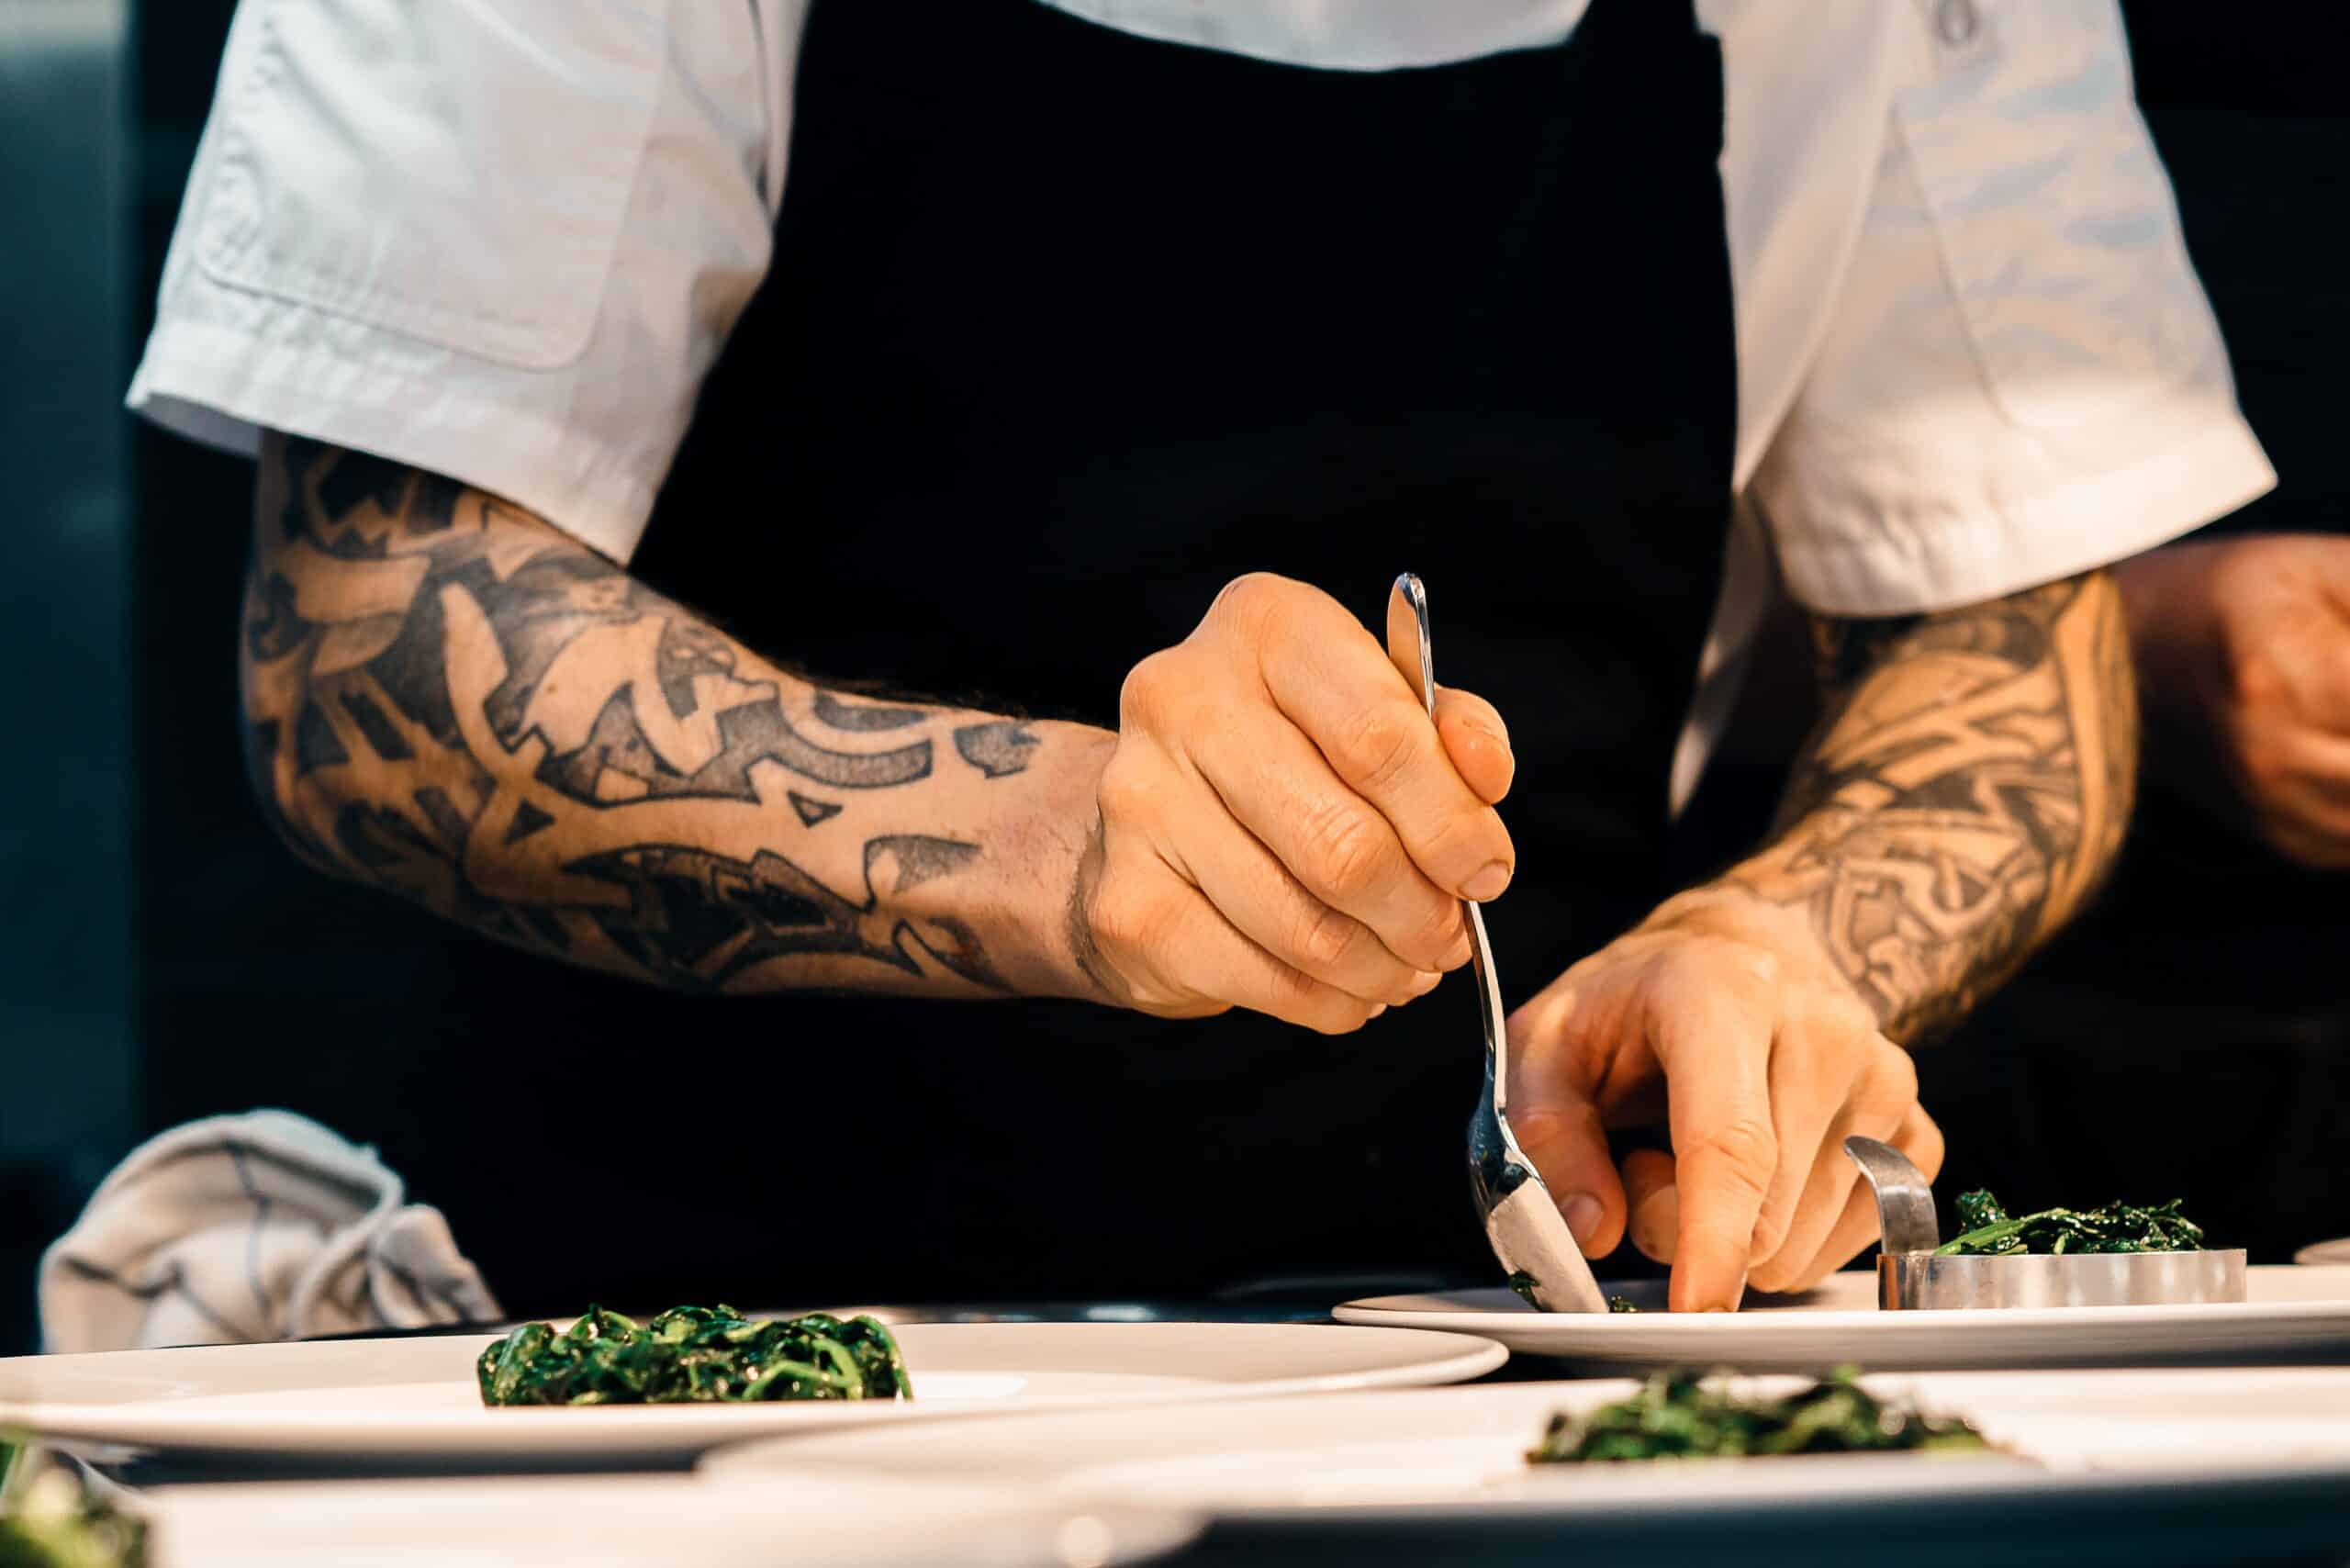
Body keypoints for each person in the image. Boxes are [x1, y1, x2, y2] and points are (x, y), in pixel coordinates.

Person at [126, 0, 2273, 1315]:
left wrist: (1791, 943)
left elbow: (2001, 599)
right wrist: (1048, 833)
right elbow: (365, 636)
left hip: (1517, 1376)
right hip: (693, 1367)